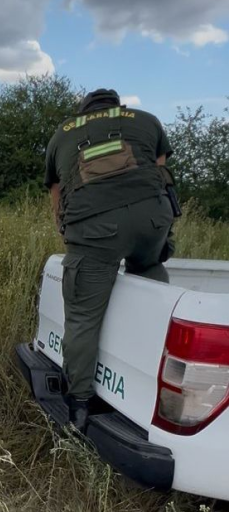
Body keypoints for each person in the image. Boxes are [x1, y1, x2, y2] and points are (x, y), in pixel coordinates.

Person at [45, 88, 176, 431]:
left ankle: (80, 406)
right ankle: (153, 369)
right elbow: (159, 174)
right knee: (148, 267)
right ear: (116, 108)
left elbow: (57, 191)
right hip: (152, 221)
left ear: (84, 111)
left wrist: (65, 228)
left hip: (94, 228)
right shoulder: (146, 120)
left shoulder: (64, 133)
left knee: (83, 318)